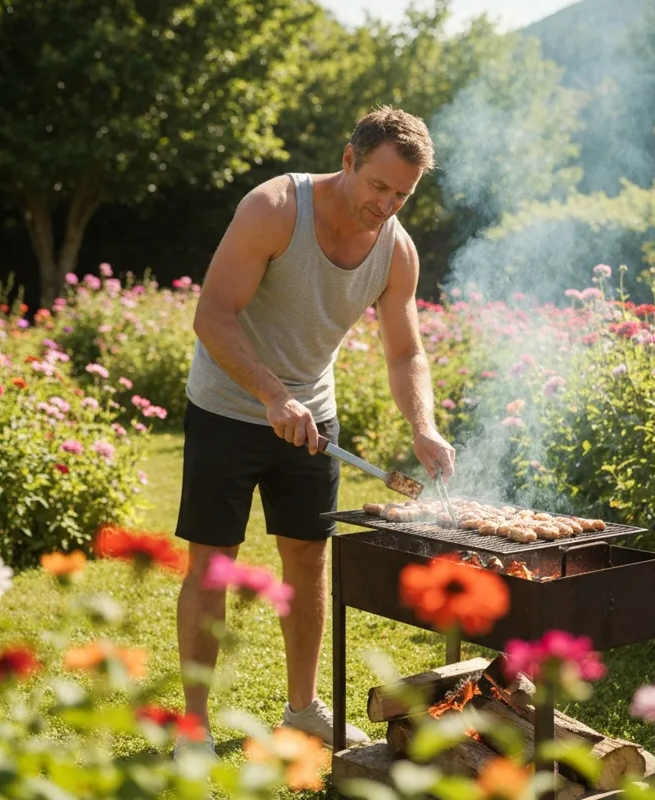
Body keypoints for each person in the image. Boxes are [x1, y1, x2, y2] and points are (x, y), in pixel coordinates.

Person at [173, 105, 456, 755]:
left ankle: (301, 709)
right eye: (378, 186)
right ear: (349, 159)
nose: (386, 204)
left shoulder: (396, 250)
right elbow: (213, 315)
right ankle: (194, 723)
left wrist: (424, 427)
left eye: (402, 195)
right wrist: (272, 395)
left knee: (306, 558)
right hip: (228, 405)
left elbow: (405, 351)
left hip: (313, 419)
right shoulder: (275, 208)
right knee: (212, 566)